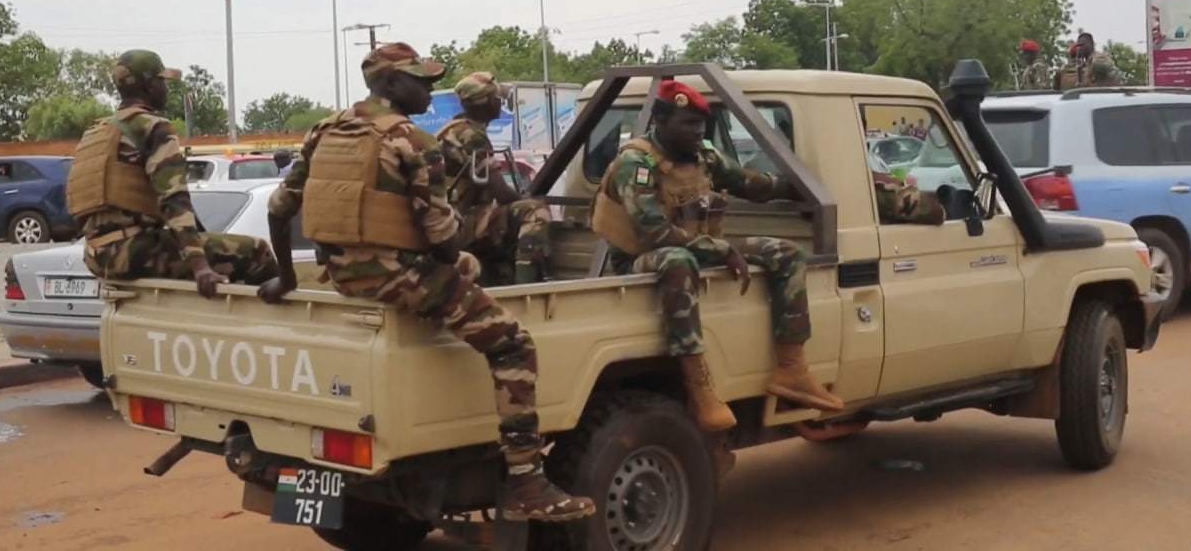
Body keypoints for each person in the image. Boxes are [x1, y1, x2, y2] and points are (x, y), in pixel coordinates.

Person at [255, 42, 594, 523]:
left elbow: (279, 209)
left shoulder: (324, 132)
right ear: (390, 84)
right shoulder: (412, 141)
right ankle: (525, 480)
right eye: (420, 78)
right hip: (398, 276)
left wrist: (287, 278)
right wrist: (460, 266)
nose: (430, 88)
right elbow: (442, 239)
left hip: (342, 276)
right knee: (514, 344)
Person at [590, 80, 845, 433]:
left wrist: (804, 187)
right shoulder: (638, 163)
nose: (698, 131)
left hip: (702, 248)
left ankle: (792, 369)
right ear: (661, 121)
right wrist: (722, 250)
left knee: (786, 253)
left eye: (701, 124)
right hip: (640, 259)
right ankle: (700, 389)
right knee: (676, 260)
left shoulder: (702, 156)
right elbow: (654, 233)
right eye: (688, 124)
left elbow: (749, 184)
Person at [65, 49, 279, 299]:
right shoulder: (152, 127)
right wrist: (200, 266)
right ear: (149, 84)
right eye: (162, 81)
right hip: (135, 252)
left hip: (96, 255)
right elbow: (174, 200)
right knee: (257, 251)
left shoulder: (97, 134)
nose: (166, 88)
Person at [436, 71, 552, 285]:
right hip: (460, 222)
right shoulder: (472, 136)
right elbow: (501, 193)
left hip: (449, 220)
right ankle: (528, 289)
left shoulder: (455, 130)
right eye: (498, 99)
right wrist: (527, 200)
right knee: (534, 211)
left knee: (502, 267)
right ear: (487, 102)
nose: (501, 104)